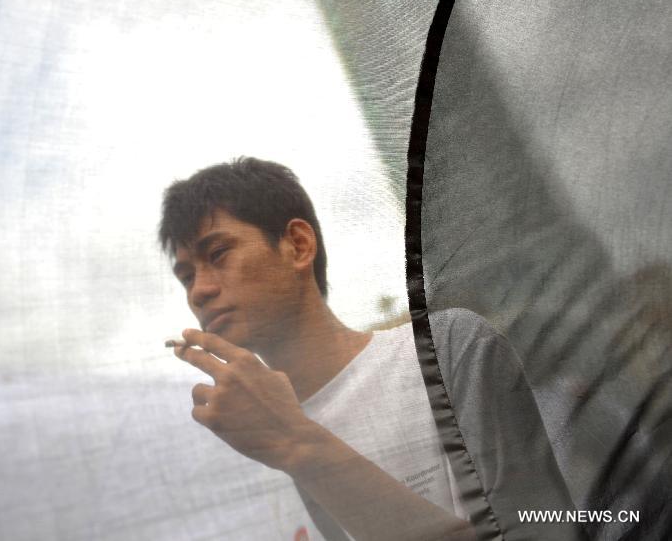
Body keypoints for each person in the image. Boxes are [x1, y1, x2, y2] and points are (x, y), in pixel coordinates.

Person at [158, 157, 578, 541]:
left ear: (298, 246)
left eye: (218, 254)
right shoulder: (232, 452)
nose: (200, 290)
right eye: (186, 276)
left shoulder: (444, 353)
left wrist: (299, 446)